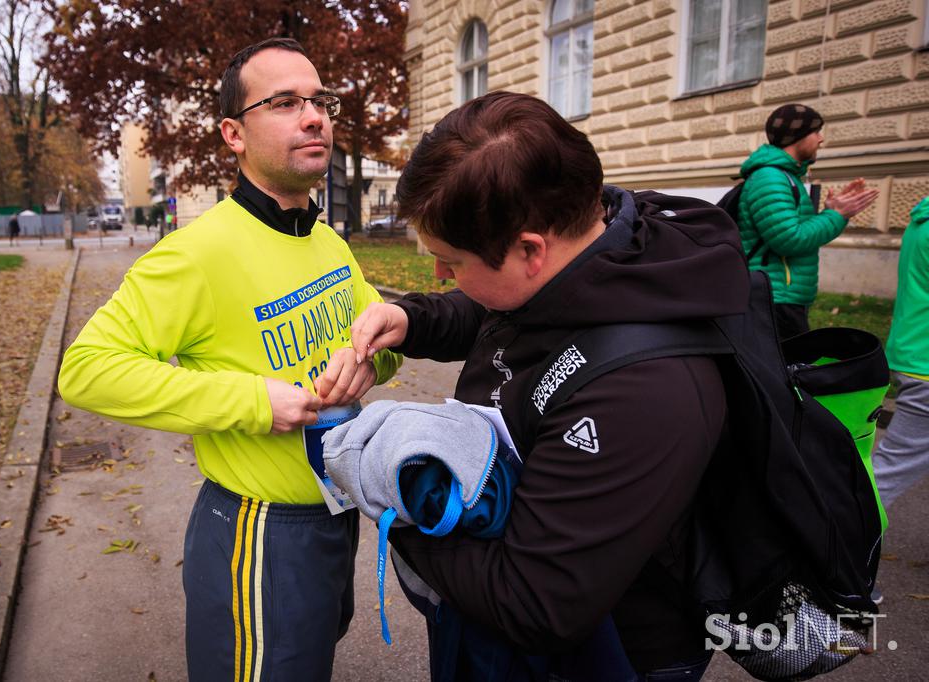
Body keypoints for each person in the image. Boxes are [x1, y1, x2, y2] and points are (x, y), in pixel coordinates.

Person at [349, 92, 751, 681]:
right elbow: (498, 311)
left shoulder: (644, 390)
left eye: (451, 261)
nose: (439, 274)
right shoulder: (585, 249)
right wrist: (413, 320)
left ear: (530, 249)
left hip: (604, 656)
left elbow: (533, 603)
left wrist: (394, 497)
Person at [57, 37, 401, 681]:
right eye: (284, 102)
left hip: (336, 519)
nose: (314, 116)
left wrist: (369, 364)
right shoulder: (197, 253)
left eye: (319, 100)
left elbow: (381, 348)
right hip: (258, 535)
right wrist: (249, 401)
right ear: (233, 134)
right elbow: (86, 369)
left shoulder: (328, 242)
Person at [736, 103, 878, 339]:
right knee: (787, 370)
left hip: (780, 295)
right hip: (774, 297)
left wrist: (831, 210)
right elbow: (789, 239)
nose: (820, 139)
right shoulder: (770, 178)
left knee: (790, 368)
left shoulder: (784, 176)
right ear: (797, 136)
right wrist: (836, 215)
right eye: (815, 131)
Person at [872, 196, 929, 511]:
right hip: (925, 364)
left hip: (915, 351)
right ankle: (828, 545)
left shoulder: (922, 218)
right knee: (888, 473)